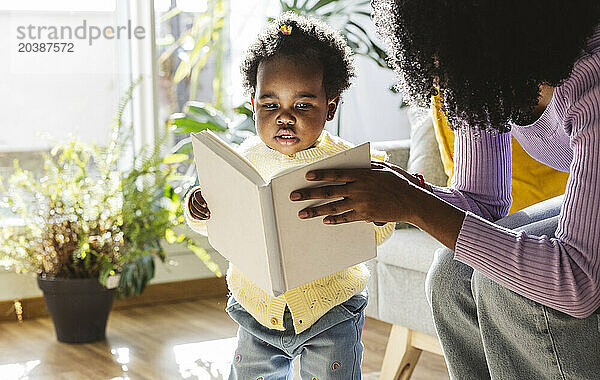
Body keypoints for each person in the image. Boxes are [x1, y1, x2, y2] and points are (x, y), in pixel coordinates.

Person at [289, 1, 600, 378]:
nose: (436, 70)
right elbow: (480, 203)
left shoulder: (589, 85)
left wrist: (414, 204)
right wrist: (398, 189)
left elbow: (577, 282)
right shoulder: (483, 74)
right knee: (451, 273)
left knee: (507, 288)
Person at [184, 12, 394, 380]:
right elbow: (215, 224)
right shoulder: (243, 160)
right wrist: (200, 207)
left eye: (302, 105)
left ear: (330, 107)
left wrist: (378, 216)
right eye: (270, 105)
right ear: (253, 104)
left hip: (331, 309)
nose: (284, 117)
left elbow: (378, 227)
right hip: (254, 307)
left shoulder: (352, 163)